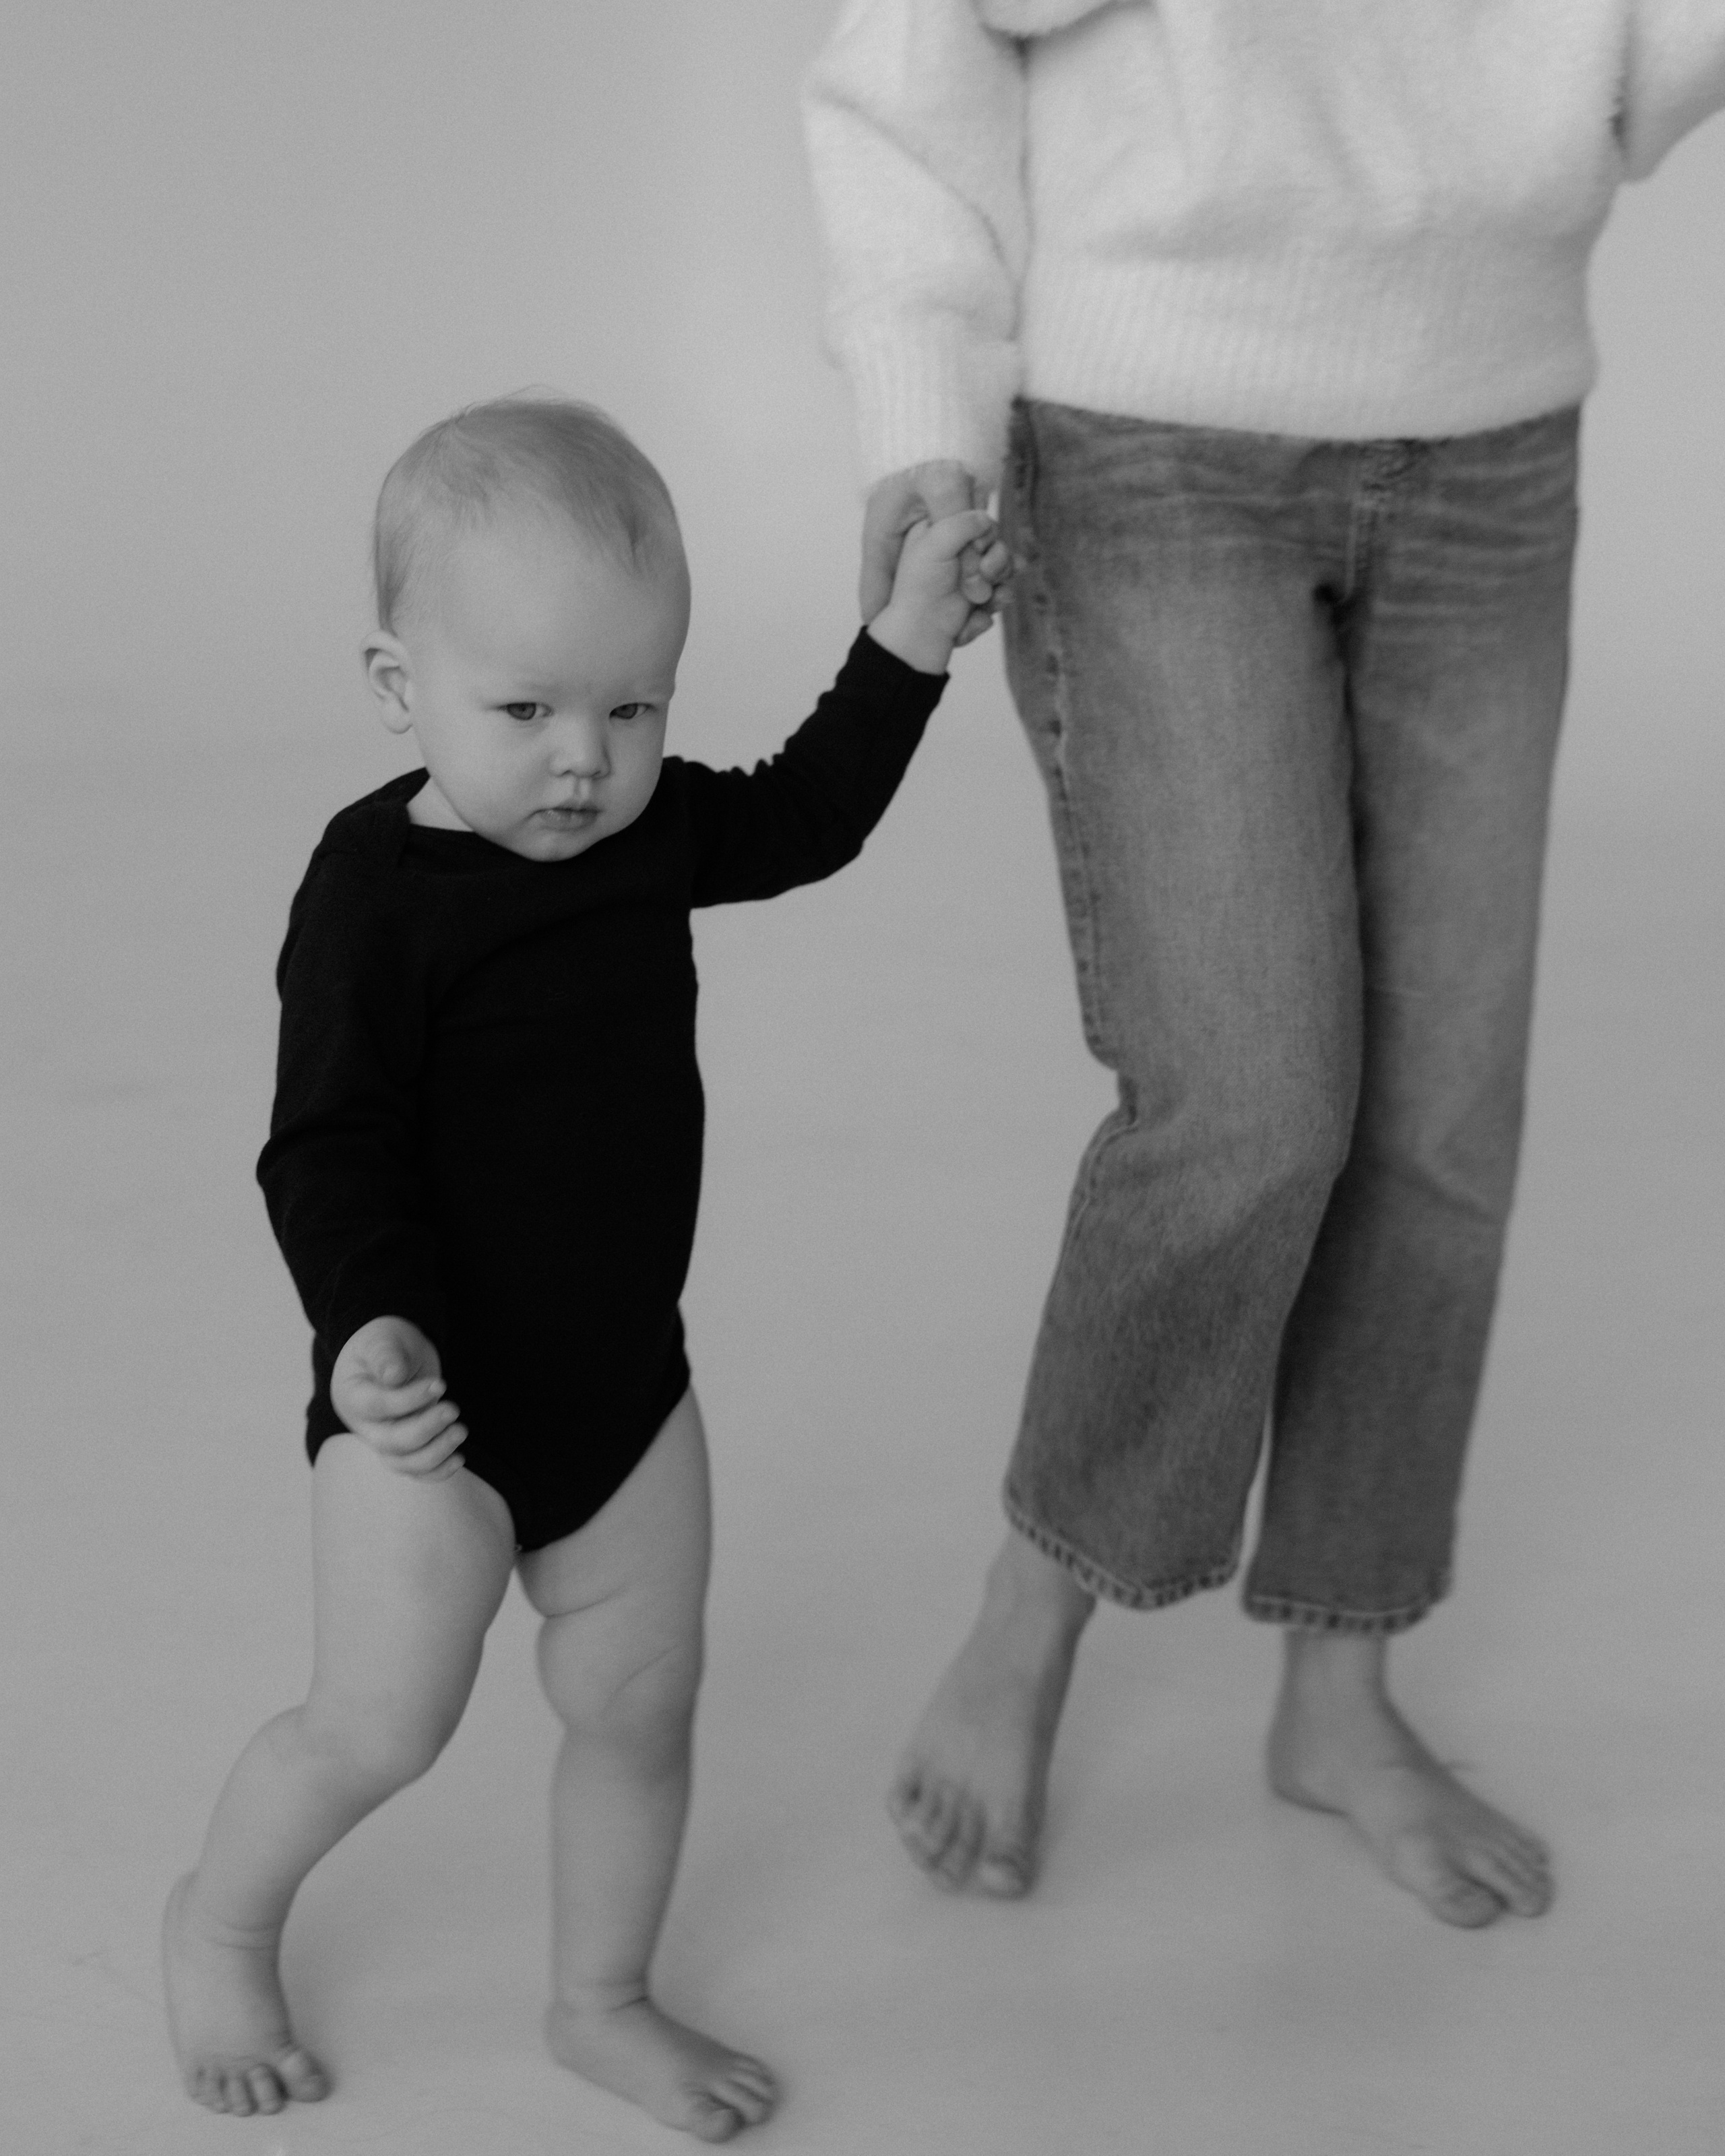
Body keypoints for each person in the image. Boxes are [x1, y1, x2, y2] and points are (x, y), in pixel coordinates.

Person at [805, 0, 1725, 1926]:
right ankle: (1036, 1598)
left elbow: (1631, 69)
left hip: (1494, 433)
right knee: (1251, 1101)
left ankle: (1340, 1679)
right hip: (1155, 443)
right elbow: (920, 50)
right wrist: (924, 410)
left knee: (1441, 1118)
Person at [160, 394, 1007, 2139]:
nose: (584, 759)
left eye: (635, 708)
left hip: (624, 1397)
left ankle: (600, 1996)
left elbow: (809, 815)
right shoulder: (374, 891)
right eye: (528, 709)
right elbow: (328, 1140)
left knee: (639, 1706)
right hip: (427, 1414)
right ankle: (221, 1917)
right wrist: (367, 1328)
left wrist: (903, 648)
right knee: (376, 1727)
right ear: (401, 687)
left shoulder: (647, 833)